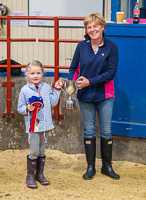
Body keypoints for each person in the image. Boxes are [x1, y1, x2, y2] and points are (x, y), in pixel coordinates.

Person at [68, 13, 120, 180]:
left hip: (105, 95)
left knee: (106, 130)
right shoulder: (81, 46)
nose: (92, 29)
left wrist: (90, 82)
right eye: (89, 27)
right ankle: (90, 167)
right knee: (89, 130)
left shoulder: (112, 47)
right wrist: (73, 83)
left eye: (95, 26)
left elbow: (110, 73)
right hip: (85, 95)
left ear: (102, 27)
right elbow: (72, 67)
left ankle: (107, 166)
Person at [17, 60, 63, 189]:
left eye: (38, 73)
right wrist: (27, 108)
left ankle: (40, 174)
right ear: (27, 74)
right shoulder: (25, 90)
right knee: (34, 150)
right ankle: (30, 176)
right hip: (33, 126)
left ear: (42, 73)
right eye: (32, 73)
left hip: (45, 125)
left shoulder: (47, 87)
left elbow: (53, 103)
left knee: (42, 150)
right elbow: (19, 108)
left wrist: (57, 89)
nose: (35, 76)